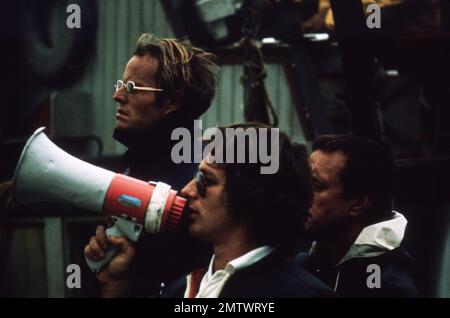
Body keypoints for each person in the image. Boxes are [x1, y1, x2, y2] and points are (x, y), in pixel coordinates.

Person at [85, 123, 335, 298]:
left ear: (250, 196)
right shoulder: (184, 288)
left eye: (206, 180)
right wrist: (114, 286)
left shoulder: (303, 294)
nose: (186, 190)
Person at [110, 33, 218, 296]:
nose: (117, 95)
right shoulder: (140, 164)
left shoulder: (199, 179)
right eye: (121, 84)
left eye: (132, 88)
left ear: (171, 102)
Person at [297, 134, 420, 297]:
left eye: (317, 186)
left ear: (358, 203)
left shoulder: (390, 289)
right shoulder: (301, 265)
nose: (302, 194)